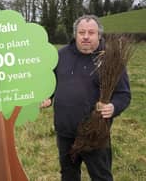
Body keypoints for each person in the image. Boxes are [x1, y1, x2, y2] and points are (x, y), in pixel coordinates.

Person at [41, 15, 131, 181]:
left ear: (99, 35)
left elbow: (124, 94)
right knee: (68, 174)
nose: (86, 36)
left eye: (91, 32)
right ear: (75, 34)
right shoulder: (60, 56)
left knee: (101, 175)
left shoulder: (111, 59)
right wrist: (48, 96)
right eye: (82, 32)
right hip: (65, 132)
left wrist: (113, 107)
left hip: (96, 133)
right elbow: (51, 83)